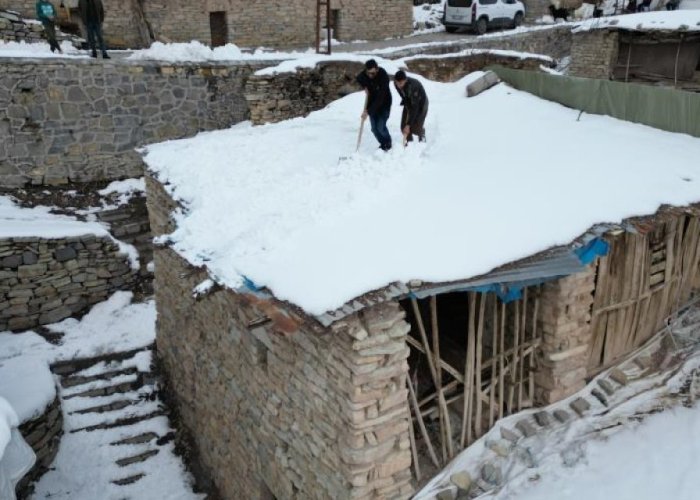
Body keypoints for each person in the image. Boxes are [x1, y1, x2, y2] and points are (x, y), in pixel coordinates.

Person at [356, 59, 392, 151]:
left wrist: (368, 111)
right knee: (374, 129)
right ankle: (382, 143)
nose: (370, 75)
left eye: (372, 73)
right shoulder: (367, 73)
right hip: (372, 103)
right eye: (368, 73)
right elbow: (359, 77)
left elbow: (380, 98)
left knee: (380, 127)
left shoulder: (383, 76)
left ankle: (388, 143)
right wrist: (365, 86)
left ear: (377, 69)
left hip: (384, 103)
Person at [393, 70, 428, 144]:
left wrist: (408, 125)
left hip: (421, 103)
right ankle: (409, 142)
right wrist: (407, 103)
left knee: (415, 128)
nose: (399, 85)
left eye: (401, 83)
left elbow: (415, 108)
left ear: (405, 80)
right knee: (403, 127)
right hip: (408, 102)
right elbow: (403, 95)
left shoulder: (413, 86)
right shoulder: (396, 84)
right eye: (397, 83)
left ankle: (421, 133)